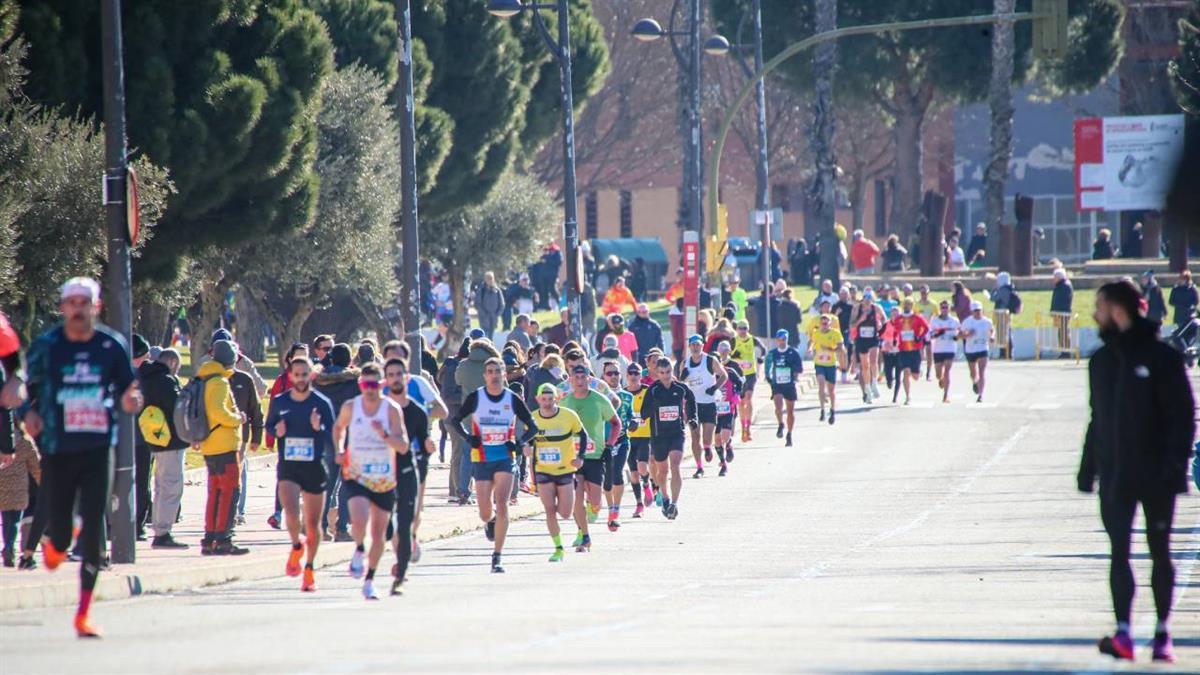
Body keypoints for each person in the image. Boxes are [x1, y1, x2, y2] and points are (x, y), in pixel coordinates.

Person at [1078, 280, 1195, 663]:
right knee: (1119, 552)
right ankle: (1124, 631)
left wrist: (1175, 464)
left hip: (1158, 474)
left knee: (1159, 551)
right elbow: (1099, 418)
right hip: (1116, 474)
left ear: (1118, 310)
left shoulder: (1163, 357)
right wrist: (1088, 467)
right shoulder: (1102, 361)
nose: (1095, 314)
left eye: (1099, 306)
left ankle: (1163, 633)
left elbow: (1183, 415)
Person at [22, 277, 142, 637]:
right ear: (63, 308)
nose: (77, 308)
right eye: (71, 302)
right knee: (58, 538)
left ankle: (83, 614)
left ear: (96, 306)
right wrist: (28, 412)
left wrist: (131, 401)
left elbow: (128, 388)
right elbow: (26, 389)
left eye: (83, 302)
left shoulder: (110, 346)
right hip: (57, 449)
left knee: (94, 528)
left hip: (97, 447)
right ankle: (58, 540)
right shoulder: (47, 346)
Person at [450, 357, 538, 572]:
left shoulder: (512, 398)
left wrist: (518, 443)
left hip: (504, 457)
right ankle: (490, 521)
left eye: (498, 371)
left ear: (504, 375)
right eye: (490, 371)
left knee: (502, 503)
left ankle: (497, 556)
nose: (494, 375)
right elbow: (455, 420)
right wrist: (469, 438)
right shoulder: (476, 397)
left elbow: (532, 427)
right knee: (484, 511)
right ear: (485, 376)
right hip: (482, 458)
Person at [331, 364, 407, 599]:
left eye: (374, 385)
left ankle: (370, 579)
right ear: (360, 385)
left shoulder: (391, 409)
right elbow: (338, 428)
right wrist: (339, 449)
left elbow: (402, 446)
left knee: (379, 533)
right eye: (365, 385)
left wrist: (384, 435)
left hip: (383, 478)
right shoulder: (351, 407)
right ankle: (359, 550)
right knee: (359, 519)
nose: (370, 390)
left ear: (381, 384)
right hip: (357, 473)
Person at [266, 356, 335, 592]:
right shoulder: (279, 401)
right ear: (290, 375)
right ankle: (296, 545)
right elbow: (269, 427)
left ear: (311, 375)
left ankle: (309, 569)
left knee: (313, 524)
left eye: (305, 374)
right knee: (292, 515)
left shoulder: (321, 403)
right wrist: (276, 430)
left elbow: (332, 437)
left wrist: (319, 428)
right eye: (297, 374)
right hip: (289, 466)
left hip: (314, 467)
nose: (301, 378)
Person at [560, 364, 621, 549]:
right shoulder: (565, 402)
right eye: (575, 378)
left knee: (595, 502)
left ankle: (591, 509)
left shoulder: (599, 400)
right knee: (576, 496)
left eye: (583, 378)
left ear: (589, 379)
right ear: (570, 380)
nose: (579, 381)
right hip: (574, 457)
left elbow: (616, 423)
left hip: (595, 456)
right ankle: (583, 534)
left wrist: (609, 445)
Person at [136, 348, 190, 549]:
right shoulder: (166, 381)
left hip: (155, 439)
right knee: (170, 485)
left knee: (160, 484)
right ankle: (163, 532)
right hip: (172, 440)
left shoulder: (147, 378)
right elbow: (179, 408)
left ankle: (160, 529)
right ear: (173, 363)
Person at [526, 383, 586, 562]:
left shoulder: (568, 416)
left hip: (565, 469)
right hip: (543, 470)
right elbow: (525, 439)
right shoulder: (532, 418)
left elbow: (582, 435)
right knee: (549, 509)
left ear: (556, 399)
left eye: (550, 399)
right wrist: (525, 447)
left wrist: (580, 456)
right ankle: (558, 548)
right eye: (543, 399)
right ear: (537, 399)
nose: (547, 403)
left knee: (565, 513)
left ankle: (580, 529)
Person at [383, 358, 429, 595]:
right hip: (381, 472)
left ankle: (400, 574)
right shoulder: (379, 410)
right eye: (390, 375)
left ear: (406, 378)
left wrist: (428, 446)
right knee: (386, 527)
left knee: (404, 523)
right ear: (385, 380)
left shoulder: (417, 412)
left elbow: (424, 443)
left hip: (407, 470)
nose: (395, 378)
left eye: (399, 374)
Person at [639, 358, 697, 520]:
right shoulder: (653, 390)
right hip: (658, 435)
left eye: (668, 372)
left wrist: (692, 418)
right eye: (662, 373)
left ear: (673, 372)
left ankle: (674, 503)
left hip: (676, 433)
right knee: (662, 470)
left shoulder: (680, 388)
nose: (665, 376)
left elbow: (692, 401)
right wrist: (655, 406)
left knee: (676, 465)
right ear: (656, 373)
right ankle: (665, 497)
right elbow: (644, 413)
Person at [314, 344, 361, 541]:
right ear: (349, 361)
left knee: (327, 484)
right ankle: (341, 527)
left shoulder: (318, 382)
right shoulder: (354, 383)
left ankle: (321, 527)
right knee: (347, 484)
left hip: (325, 437)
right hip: (349, 436)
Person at [676, 335, 727, 479]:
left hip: (709, 403)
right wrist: (682, 377)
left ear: (702, 346)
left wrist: (715, 387)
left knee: (706, 439)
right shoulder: (684, 364)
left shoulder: (710, 360)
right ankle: (699, 467)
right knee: (694, 437)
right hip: (693, 404)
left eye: (698, 345)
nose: (695, 348)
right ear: (689, 347)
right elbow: (680, 384)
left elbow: (724, 375)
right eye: (692, 345)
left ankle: (707, 448)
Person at [230, 351, 264, 527]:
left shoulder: (244, 379)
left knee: (236, 475)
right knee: (218, 477)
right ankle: (220, 515)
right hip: (214, 438)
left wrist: (257, 436)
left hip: (239, 437)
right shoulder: (210, 378)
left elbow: (255, 410)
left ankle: (235, 512)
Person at [600, 362, 634, 528]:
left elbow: (629, 414)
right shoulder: (598, 396)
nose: (613, 376)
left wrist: (633, 421)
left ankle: (616, 510)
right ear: (603, 377)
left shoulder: (627, 396)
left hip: (621, 440)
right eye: (609, 373)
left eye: (616, 373)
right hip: (603, 443)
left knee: (617, 472)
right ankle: (609, 507)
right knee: (606, 478)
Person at [623, 364, 653, 518]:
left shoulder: (648, 391)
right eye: (631, 373)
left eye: (637, 373)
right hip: (628, 437)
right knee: (633, 475)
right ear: (626, 375)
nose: (634, 376)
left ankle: (647, 484)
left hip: (645, 436)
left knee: (642, 467)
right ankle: (639, 504)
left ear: (641, 375)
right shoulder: (623, 393)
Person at [764, 330, 803, 446]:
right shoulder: (772, 353)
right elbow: (767, 366)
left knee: (790, 411)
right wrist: (768, 378)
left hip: (789, 384)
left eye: (784, 339)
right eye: (780, 339)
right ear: (777, 340)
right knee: (778, 406)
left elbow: (800, 368)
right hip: (777, 384)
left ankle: (789, 434)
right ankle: (780, 423)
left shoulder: (793, 352)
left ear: (787, 339)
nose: (782, 342)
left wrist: (792, 369)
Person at [888, 299, 930, 405]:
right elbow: (895, 330)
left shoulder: (917, 317)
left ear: (912, 305)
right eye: (905, 304)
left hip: (915, 349)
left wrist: (919, 337)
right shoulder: (899, 319)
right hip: (903, 350)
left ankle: (917, 371)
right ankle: (908, 397)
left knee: (915, 376)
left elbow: (926, 328)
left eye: (908, 304)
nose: (906, 306)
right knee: (906, 371)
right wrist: (894, 339)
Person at [711, 341, 744, 475]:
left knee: (724, 435)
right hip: (713, 410)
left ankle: (729, 444)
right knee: (717, 439)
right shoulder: (708, 375)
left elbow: (740, 382)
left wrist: (736, 393)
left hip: (727, 408)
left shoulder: (729, 371)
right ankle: (723, 464)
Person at [729, 320, 765, 442]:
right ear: (737, 329)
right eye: (740, 328)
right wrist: (734, 357)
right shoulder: (733, 341)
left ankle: (747, 427)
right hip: (738, 376)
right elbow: (726, 354)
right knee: (741, 402)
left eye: (745, 328)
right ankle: (743, 424)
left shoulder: (752, 340)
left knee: (748, 398)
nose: (743, 331)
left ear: (748, 329)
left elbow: (763, 350)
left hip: (750, 374)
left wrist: (760, 359)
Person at [807, 315, 845, 424]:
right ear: (819, 324)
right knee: (821, 384)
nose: (824, 325)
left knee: (831, 390)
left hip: (831, 364)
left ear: (830, 323)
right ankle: (822, 410)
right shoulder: (816, 333)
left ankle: (832, 410)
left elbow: (841, 347)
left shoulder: (835, 333)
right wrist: (809, 349)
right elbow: (811, 342)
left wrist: (831, 349)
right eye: (822, 323)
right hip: (819, 363)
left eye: (826, 322)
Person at [850, 291, 884, 403]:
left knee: (874, 362)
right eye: (865, 298)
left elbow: (885, 319)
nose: (867, 301)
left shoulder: (876, 308)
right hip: (861, 339)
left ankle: (874, 383)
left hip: (873, 337)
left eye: (870, 298)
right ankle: (867, 388)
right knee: (865, 366)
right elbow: (852, 324)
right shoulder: (857, 308)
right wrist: (861, 320)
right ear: (862, 298)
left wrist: (880, 324)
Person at [960, 302, 993, 402]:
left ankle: (981, 395)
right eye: (975, 311)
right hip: (971, 349)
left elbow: (992, 330)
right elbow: (960, 335)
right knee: (973, 373)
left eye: (979, 310)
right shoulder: (967, 322)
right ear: (972, 312)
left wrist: (992, 336)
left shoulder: (987, 321)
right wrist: (967, 335)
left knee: (982, 372)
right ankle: (975, 382)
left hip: (983, 348)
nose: (978, 313)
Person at [929, 300, 960, 403]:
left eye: (946, 307)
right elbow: (930, 335)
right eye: (943, 307)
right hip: (938, 349)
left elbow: (960, 332)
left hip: (950, 348)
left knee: (947, 371)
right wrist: (937, 334)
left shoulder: (954, 320)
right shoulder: (935, 321)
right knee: (938, 374)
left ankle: (946, 395)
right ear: (940, 309)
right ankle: (941, 378)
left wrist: (957, 337)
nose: (945, 309)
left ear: (949, 308)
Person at [474, 272, 505, 340]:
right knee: (485, 336)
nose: (490, 280)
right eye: (488, 278)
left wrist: (497, 314)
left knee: (491, 338)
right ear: (485, 279)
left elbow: (502, 304)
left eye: (491, 278)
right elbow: (477, 304)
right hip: (484, 319)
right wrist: (484, 313)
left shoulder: (497, 291)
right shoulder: (481, 291)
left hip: (493, 319)